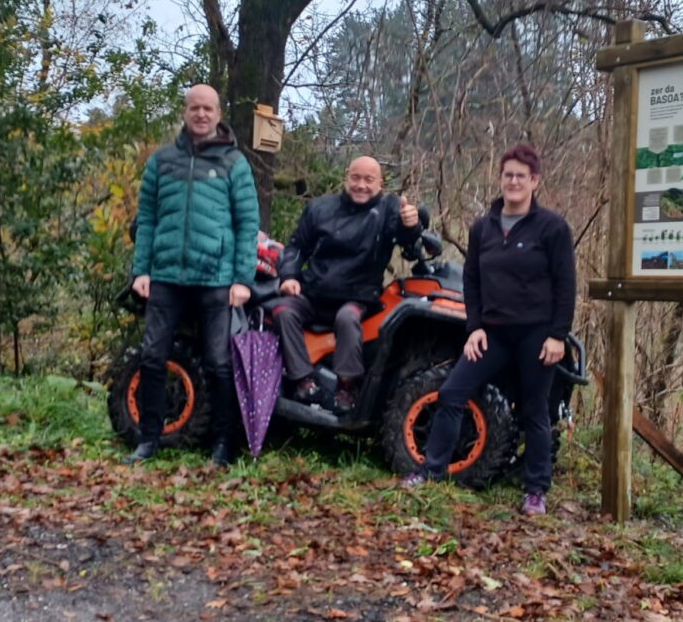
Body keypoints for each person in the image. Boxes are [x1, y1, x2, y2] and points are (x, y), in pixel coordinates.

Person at [403, 143, 576, 515]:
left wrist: (558, 335)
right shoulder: (483, 227)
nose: (513, 181)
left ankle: (535, 491)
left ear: (534, 180)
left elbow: (566, 285)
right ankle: (431, 470)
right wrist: (475, 327)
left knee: (535, 411)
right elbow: (472, 281)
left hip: (536, 335)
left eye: (521, 176)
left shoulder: (552, 228)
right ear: (501, 179)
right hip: (493, 334)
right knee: (452, 392)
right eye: (507, 175)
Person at [127, 84, 260, 467]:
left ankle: (223, 444)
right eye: (194, 108)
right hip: (166, 277)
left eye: (208, 109)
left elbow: (248, 223)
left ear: (219, 114)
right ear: (185, 112)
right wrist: (142, 270)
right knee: (152, 357)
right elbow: (148, 219)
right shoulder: (162, 161)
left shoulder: (234, 163)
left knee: (219, 363)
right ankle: (148, 440)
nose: (201, 114)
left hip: (216, 279)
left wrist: (241, 280)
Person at [273, 156, 421, 414]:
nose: (361, 185)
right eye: (356, 177)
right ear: (346, 178)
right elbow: (296, 246)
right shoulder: (319, 208)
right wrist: (289, 277)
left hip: (357, 297)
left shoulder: (388, 210)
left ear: (380, 184)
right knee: (283, 311)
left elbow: (407, 240)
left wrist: (412, 224)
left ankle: (347, 387)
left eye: (368, 179)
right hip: (314, 292)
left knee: (347, 319)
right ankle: (302, 380)